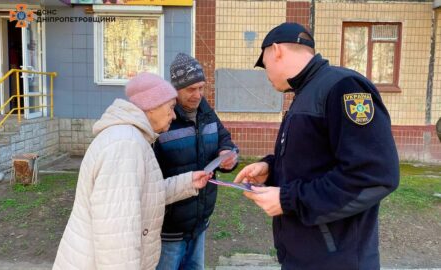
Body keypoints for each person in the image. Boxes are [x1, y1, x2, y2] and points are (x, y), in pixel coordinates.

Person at [234, 22, 399, 270]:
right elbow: (314, 159)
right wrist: (271, 168)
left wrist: (289, 200)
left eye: (264, 62)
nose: (265, 72)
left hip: (337, 260)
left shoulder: (343, 87)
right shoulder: (307, 92)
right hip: (305, 255)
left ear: (276, 50)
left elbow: (374, 176)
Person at [53, 72, 212, 270]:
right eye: (171, 108)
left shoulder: (131, 138)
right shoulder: (126, 145)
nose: (173, 115)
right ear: (152, 107)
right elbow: (117, 240)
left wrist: (188, 182)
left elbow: (144, 195)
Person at [154, 53, 238, 270]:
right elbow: (149, 180)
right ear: (175, 89)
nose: (198, 95)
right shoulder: (162, 120)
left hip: (200, 223)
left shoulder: (207, 113)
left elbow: (226, 140)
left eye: (201, 87)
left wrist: (228, 155)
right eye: (191, 89)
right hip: (169, 230)